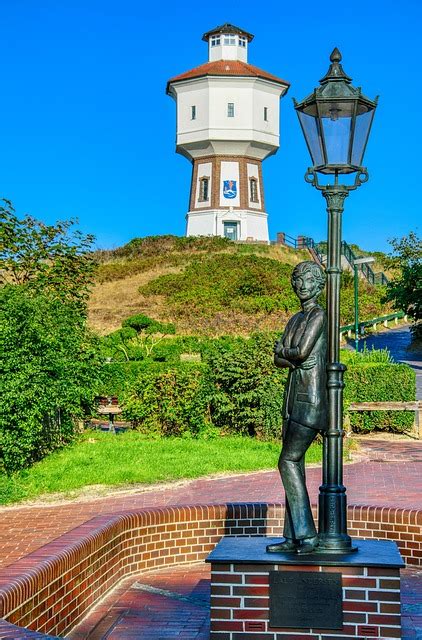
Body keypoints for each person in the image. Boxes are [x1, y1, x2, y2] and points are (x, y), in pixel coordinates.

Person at [266, 261, 327, 555]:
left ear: (318, 285)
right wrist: (288, 356)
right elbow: (279, 358)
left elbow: (299, 352)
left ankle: (307, 534)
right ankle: (292, 537)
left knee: (287, 461)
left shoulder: (318, 315)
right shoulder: (294, 319)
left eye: (307, 280)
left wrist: (286, 354)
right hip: (292, 400)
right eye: (298, 280)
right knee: (296, 466)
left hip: (310, 399)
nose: (301, 285)